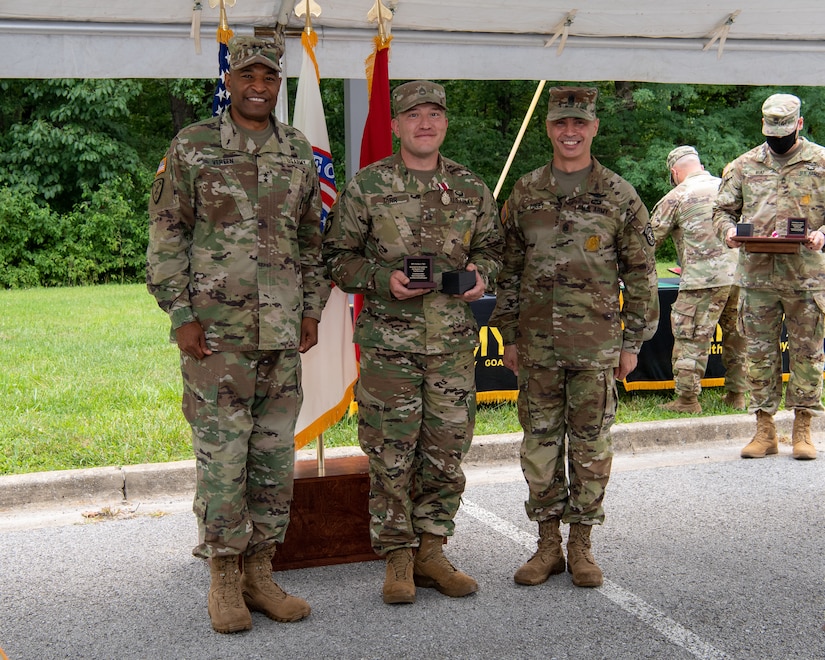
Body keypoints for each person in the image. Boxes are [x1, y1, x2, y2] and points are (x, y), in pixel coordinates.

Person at [146, 35, 329, 633]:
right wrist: (181, 315)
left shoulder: (298, 149)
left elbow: (312, 240)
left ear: (279, 83)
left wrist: (311, 311)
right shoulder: (193, 145)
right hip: (216, 338)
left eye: (269, 78)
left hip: (281, 336)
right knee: (224, 459)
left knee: (274, 457)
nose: (258, 86)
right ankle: (223, 577)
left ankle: (261, 572)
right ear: (230, 81)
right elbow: (168, 235)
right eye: (247, 76)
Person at [322, 80, 503, 605]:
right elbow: (337, 257)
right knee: (390, 453)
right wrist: (384, 280)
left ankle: (431, 550)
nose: (425, 124)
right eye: (413, 115)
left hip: (450, 347)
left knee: (446, 453)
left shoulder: (469, 187)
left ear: (445, 123)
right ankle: (397, 558)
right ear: (397, 124)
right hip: (389, 349)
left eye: (434, 115)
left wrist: (479, 274)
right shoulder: (367, 187)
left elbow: (493, 250)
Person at [489, 86, 658, 588]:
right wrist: (508, 335)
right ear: (548, 128)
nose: (570, 132)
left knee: (589, 448)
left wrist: (633, 343)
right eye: (561, 123)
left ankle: (582, 545)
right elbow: (509, 267)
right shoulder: (526, 191)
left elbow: (642, 272)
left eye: (579, 123)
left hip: (596, 347)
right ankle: (546, 546)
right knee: (539, 446)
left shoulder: (619, 195)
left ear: (593, 128)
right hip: (537, 347)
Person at [714, 93, 825, 461]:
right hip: (757, 277)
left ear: (799, 125)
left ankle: (803, 429)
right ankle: (764, 429)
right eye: (771, 132)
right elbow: (722, 210)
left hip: (806, 277)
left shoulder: (821, 162)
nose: (778, 138)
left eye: (784, 131)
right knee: (759, 354)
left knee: (807, 353)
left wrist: (823, 234)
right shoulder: (744, 165)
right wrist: (727, 232)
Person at [650, 146, 747, 413]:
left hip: (702, 281)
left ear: (674, 172)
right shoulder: (728, 188)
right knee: (737, 336)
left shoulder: (677, 196)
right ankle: (737, 395)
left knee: (690, 337)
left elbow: (648, 243)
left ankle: (687, 400)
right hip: (740, 275)